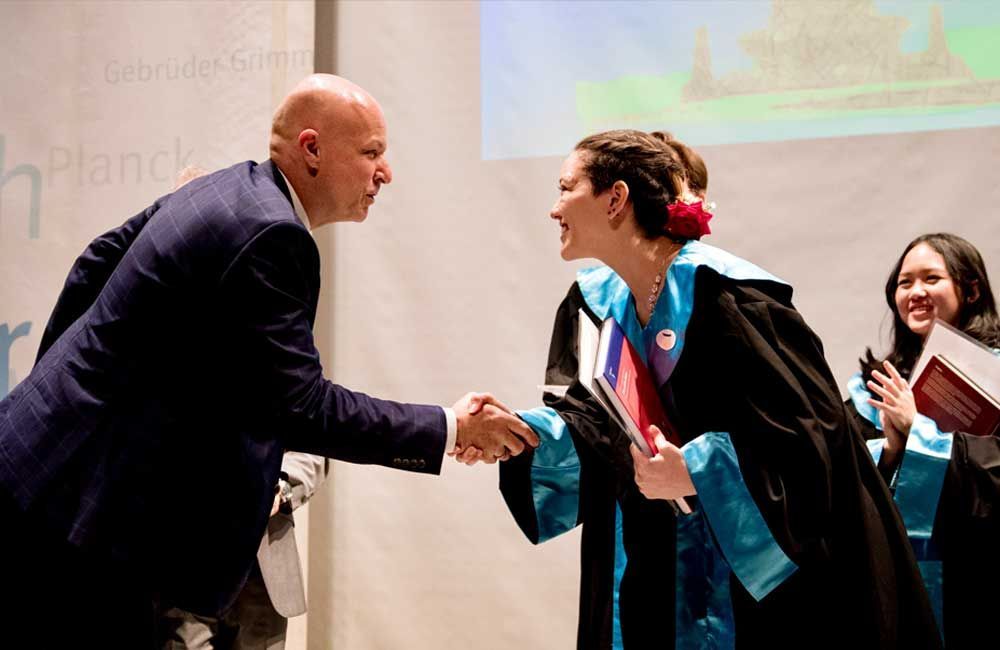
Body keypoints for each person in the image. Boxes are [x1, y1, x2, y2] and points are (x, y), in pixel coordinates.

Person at [0, 74, 537, 648]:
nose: (386, 172)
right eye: (371, 153)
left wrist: (59, 394)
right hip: (80, 521)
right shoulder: (273, 235)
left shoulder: (224, 189)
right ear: (311, 149)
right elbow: (304, 406)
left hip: (45, 471)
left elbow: (95, 261)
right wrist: (451, 426)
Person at [494, 130, 939, 649]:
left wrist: (697, 470)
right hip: (651, 561)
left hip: (755, 593)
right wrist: (522, 434)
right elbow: (591, 422)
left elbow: (814, 443)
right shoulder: (596, 303)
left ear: (616, 199)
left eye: (566, 187)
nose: (553, 208)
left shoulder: (732, 299)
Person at [845, 233, 1000, 647]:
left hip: (976, 571)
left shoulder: (996, 375)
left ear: (970, 290)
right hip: (894, 573)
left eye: (931, 278)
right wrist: (892, 450)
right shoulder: (875, 387)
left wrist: (920, 432)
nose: (915, 292)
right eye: (904, 282)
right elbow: (840, 475)